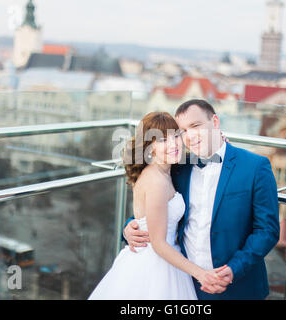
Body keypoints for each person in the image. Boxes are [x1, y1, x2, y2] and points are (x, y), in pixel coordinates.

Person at [123, 99, 280, 300]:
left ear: (215, 122)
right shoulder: (178, 168)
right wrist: (130, 227)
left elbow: (267, 230)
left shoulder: (255, 166)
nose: (189, 136)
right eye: (182, 132)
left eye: (195, 126)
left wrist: (233, 269)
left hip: (237, 287)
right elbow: (155, 209)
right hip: (185, 284)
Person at [88, 111, 227, 300]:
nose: (174, 144)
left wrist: (219, 143)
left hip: (165, 260)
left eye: (176, 136)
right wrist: (201, 274)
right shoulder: (156, 181)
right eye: (162, 140)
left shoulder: (167, 171)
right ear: (149, 147)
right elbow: (159, 244)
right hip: (154, 265)